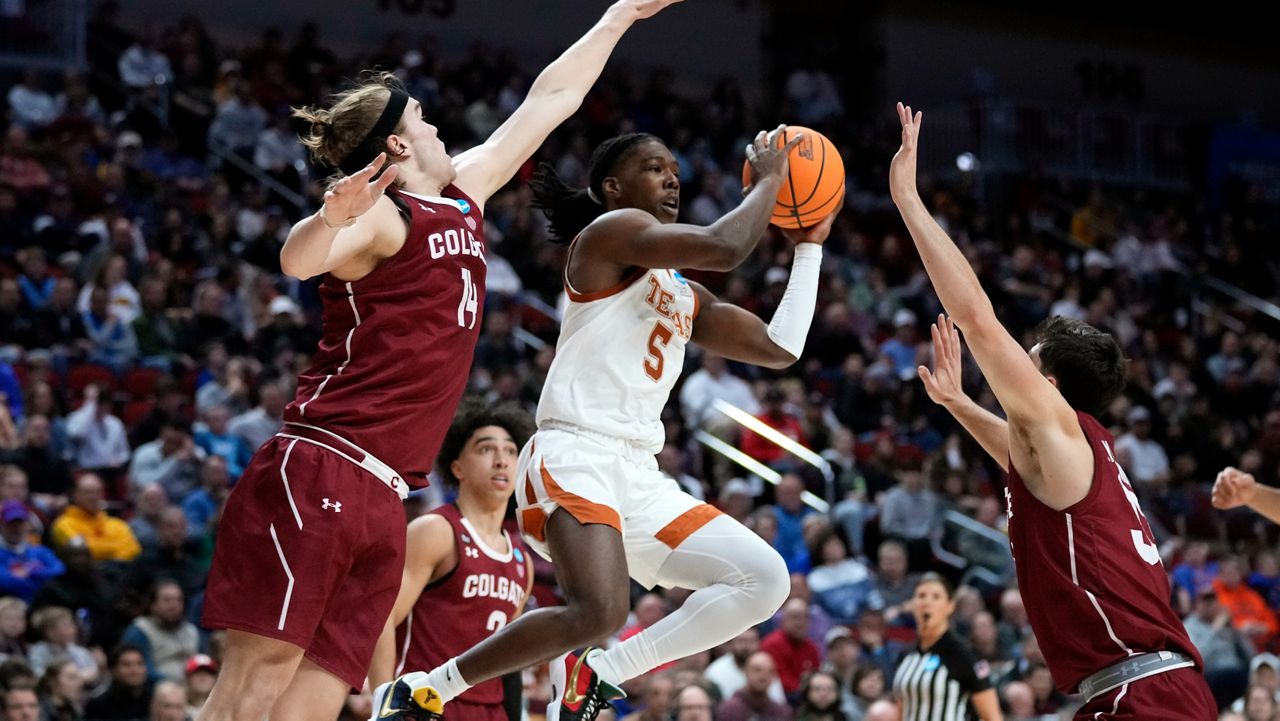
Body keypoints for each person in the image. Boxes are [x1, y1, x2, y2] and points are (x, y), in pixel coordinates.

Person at [196, 2, 685, 720]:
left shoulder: (464, 190)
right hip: (324, 462)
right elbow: (297, 259)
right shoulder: (381, 219)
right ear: (396, 141)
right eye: (421, 115)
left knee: (317, 699)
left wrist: (618, 17)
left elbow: (550, 98)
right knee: (252, 685)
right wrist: (334, 213)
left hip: (389, 493)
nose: (434, 122)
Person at [385, 121, 835, 721]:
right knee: (598, 610)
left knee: (765, 579)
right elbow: (726, 247)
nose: (671, 176)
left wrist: (811, 244)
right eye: (654, 167)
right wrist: (775, 180)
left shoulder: (683, 295)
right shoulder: (606, 236)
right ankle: (426, 688)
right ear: (612, 187)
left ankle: (603, 671)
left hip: (638, 474)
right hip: (575, 452)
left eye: (675, 168)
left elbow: (781, 347)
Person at [892, 102, 1213, 719]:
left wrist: (908, 199)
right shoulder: (1073, 454)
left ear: (1050, 382)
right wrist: (959, 404)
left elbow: (977, 319)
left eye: (1028, 357)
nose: (1014, 368)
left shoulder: (1062, 427)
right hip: (1134, 688)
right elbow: (1020, 459)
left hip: (1142, 692)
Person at [367, 400, 535, 721]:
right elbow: (383, 616)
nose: (501, 461)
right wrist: (384, 698)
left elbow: (509, 661)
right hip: (427, 703)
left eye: (511, 452)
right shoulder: (437, 530)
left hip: (492, 710)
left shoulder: (520, 558)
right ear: (457, 467)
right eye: (486, 450)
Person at [890, 574, 1000, 721]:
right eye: (921, 596)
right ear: (913, 604)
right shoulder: (905, 655)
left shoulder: (963, 654)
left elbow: (991, 716)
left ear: (950, 606)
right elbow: (901, 710)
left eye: (936, 597)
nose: (927, 602)